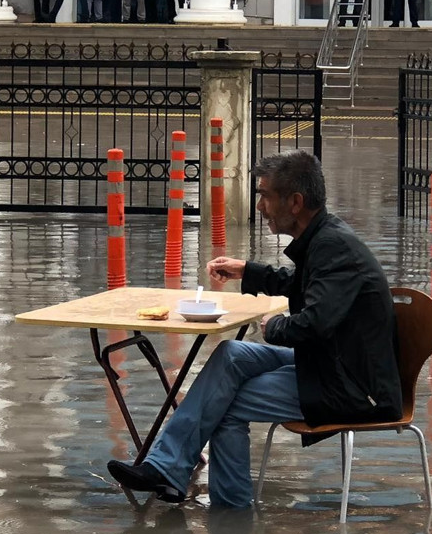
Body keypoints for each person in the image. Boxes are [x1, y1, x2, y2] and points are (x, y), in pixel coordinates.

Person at [107, 151, 403, 511]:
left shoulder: (333, 247)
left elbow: (313, 324)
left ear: (294, 202)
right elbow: (301, 284)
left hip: (354, 389)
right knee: (231, 354)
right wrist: (247, 271)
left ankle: (230, 516)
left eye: (264, 195)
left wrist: (275, 326)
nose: (259, 206)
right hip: (330, 366)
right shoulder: (326, 239)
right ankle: (166, 468)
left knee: (225, 403)